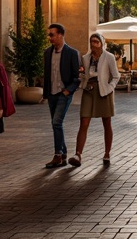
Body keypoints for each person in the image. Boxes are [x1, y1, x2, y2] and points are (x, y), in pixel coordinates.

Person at [72, 32, 118, 168]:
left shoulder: (109, 57)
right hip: (89, 90)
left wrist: (110, 88)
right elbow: (84, 75)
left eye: (96, 42)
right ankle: (78, 154)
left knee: (106, 122)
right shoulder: (86, 58)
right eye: (91, 42)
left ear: (102, 43)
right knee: (84, 121)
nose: (93, 45)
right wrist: (81, 82)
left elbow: (116, 76)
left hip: (104, 91)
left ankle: (107, 153)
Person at [41, 22, 81, 168]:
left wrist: (67, 91)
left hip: (64, 94)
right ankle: (63, 154)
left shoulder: (72, 53)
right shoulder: (47, 53)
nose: (49, 37)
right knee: (55, 124)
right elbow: (47, 75)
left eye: (52, 35)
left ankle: (58, 155)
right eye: (49, 35)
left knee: (56, 122)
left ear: (60, 35)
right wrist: (45, 93)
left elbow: (77, 77)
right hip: (51, 94)